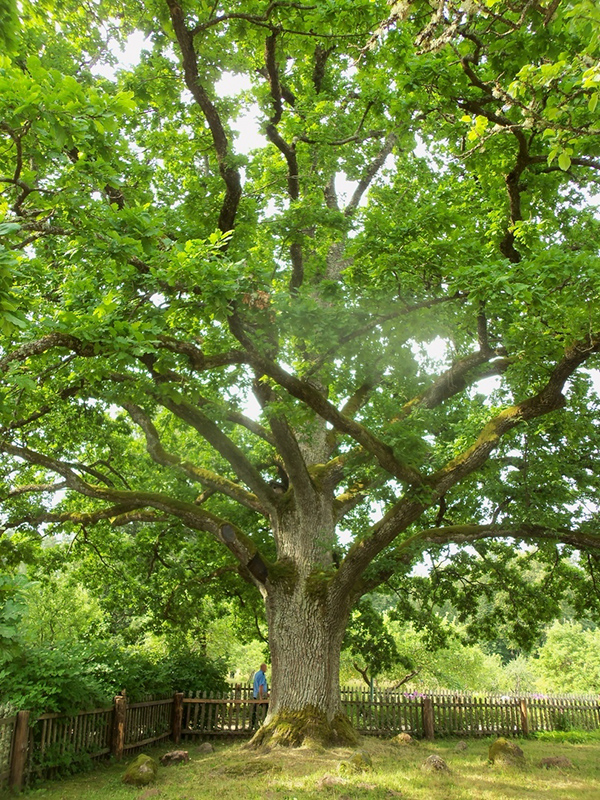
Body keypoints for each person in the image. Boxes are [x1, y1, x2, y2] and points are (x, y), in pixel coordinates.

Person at [251, 663, 269, 729]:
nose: (266, 669)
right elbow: (261, 686)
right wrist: (261, 696)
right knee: (266, 708)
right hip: (259, 694)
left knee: (255, 709)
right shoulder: (261, 675)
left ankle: (252, 724)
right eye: (265, 667)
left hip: (255, 694)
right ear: (263, 668)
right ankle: (264, 722)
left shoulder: (257, 674)